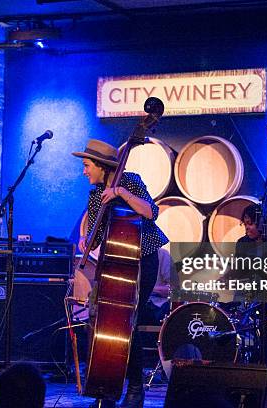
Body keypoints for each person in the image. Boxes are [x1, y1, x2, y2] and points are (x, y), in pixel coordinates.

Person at [73, 139, 169, 408]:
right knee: (104, 323)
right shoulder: (94, 195)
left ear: (102, 166)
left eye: (87, 165)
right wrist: (86, 240)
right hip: (115, 261)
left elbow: (151, 212)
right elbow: (97, 234)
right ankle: (107, 388)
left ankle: (136, 389)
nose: (84, 171)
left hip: (143, 258)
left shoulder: (131, 181)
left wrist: (121, 193)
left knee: (130, 322)